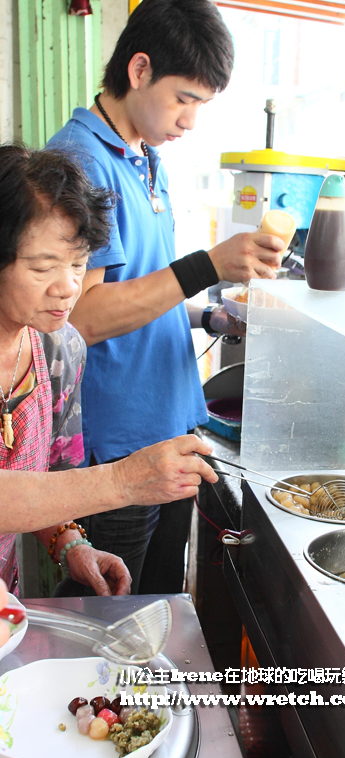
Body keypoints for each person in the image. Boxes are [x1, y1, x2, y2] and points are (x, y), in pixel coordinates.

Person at [47, 0, 284, 595]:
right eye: (185, 98)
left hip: (168, 430)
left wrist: (210, 315)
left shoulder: (148, 160)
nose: (191, 120)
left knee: (157, 609)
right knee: (110, 616)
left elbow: (144, 292)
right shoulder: (80, 161)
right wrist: (207, 265)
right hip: (117, 445)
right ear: (139, 69)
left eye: (202, 104)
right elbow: (79, 317)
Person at [0, 143, 218, 597]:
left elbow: (49, 483)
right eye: (44, 267)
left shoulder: (58, 350)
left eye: (79, 265)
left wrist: (71, 543)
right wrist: (121, 481)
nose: (68, 288)